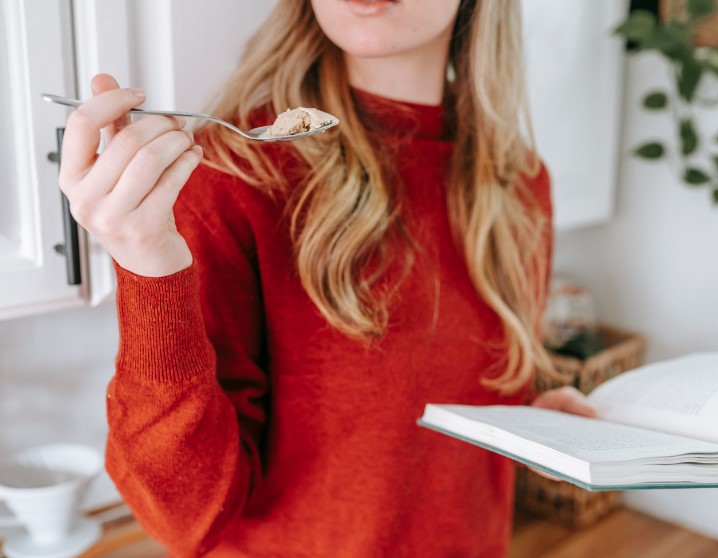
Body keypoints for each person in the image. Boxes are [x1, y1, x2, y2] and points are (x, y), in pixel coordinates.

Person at [59, 0, 596, 556]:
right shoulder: (233, 175)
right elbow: (183, 519)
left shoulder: (522, 184)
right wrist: (146, 265)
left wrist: (529, 418)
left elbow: (415, 397)